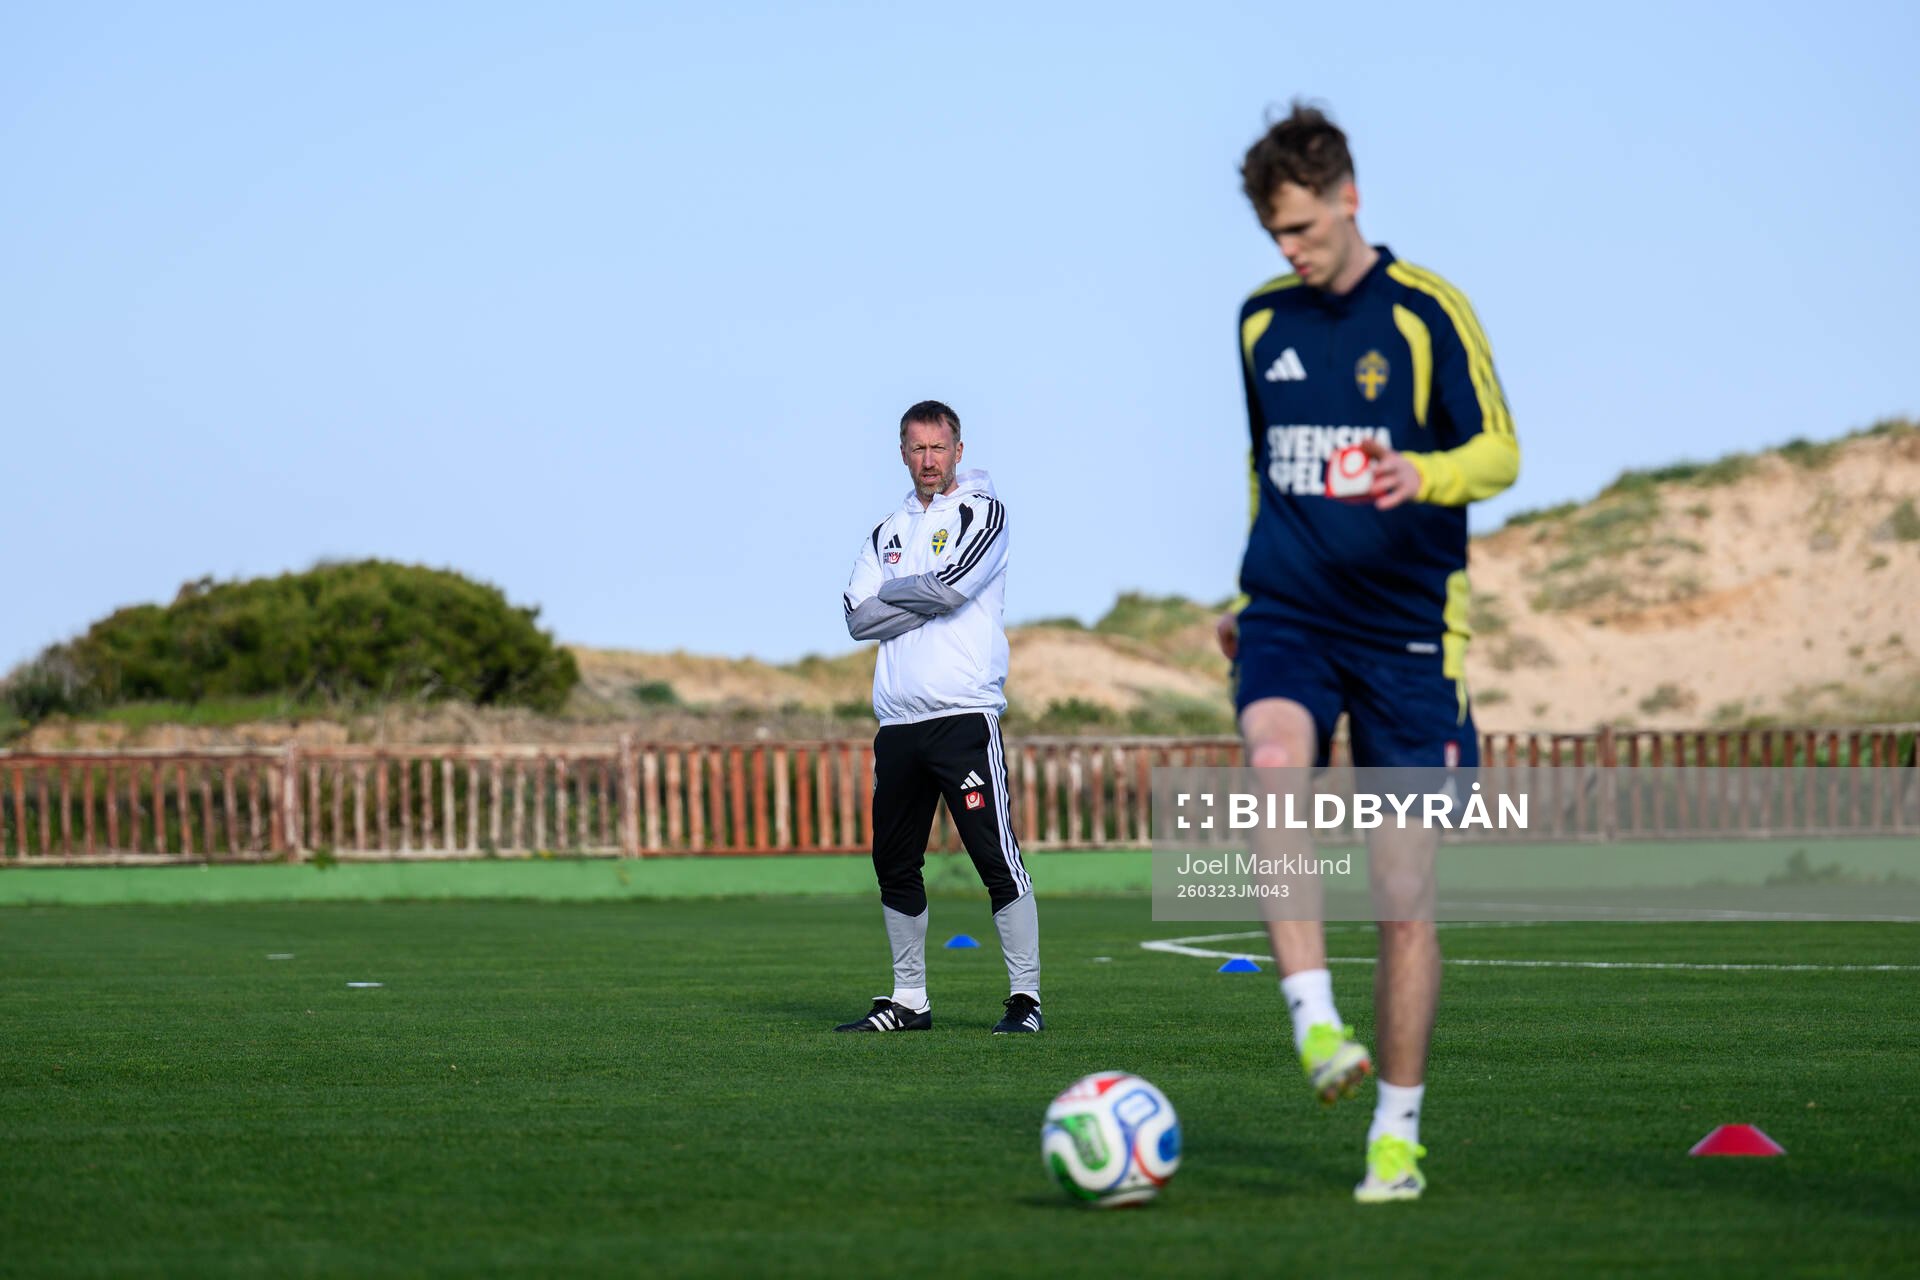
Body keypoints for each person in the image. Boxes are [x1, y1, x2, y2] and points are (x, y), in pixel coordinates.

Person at [1221, 103, 1520, 1201]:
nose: (1289, 252)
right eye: (1275, 237)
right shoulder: (1260, 322)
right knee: (1269, 762)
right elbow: (1267, 468)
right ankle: (1314, 1022)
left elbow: (1501, 448)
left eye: (1301, 228)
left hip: (1405, 631)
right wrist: (1244, 589)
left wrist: (1425, 475)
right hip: (1290, 608)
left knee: (1402, 894)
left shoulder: (1429, 313)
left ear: (1348, 196)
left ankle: (1396, 1131)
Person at [834, 400, 1041, 1035]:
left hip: (964, 717)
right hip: (897, 725)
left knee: (993, 857)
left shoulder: (985, 512)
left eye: (938, 448)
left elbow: (952, 588)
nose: (928, 460)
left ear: (957, 449)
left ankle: (1025, 1000)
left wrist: (905, 594)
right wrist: (921, 593)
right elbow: (855, 618)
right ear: (902, 453)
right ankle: (910, 1000)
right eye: (916, 449)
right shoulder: (885, 530)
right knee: (892, 862)